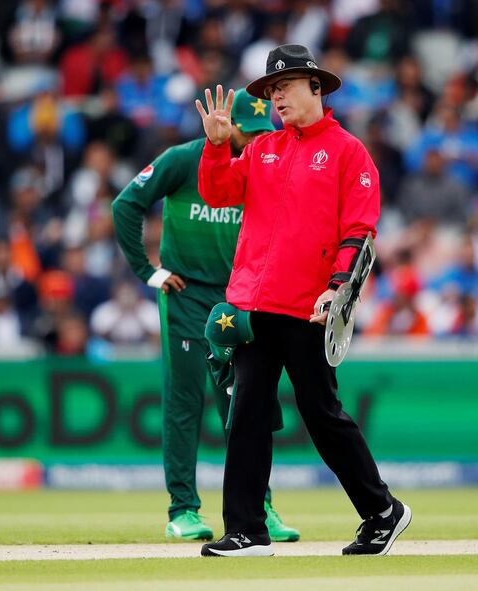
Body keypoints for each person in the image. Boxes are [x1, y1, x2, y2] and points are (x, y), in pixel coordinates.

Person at [194, 44, 411, 557]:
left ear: (316, 87)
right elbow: (219, 193)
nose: (276, 98)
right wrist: (217, 146)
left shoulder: (347, 152)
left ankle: (383, 511)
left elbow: (360, 231)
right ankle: (247, 530)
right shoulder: (264, 148)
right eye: (271, 91)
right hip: (254, 305)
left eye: (284, 86)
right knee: (245, 411)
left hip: (310, 306)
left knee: (322, 415)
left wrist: (337, 291)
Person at [112, 89, 300, 542]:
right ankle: (182, 510)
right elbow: (125, 204)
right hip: (186, 292)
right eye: (247, 133)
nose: (255, 142)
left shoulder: (265, 163)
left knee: (245, 402)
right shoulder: (183, 159)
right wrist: (147, 271)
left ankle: (261, 508)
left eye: (262, 134)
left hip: (238, 297)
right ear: (227, 126)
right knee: (184, 401)